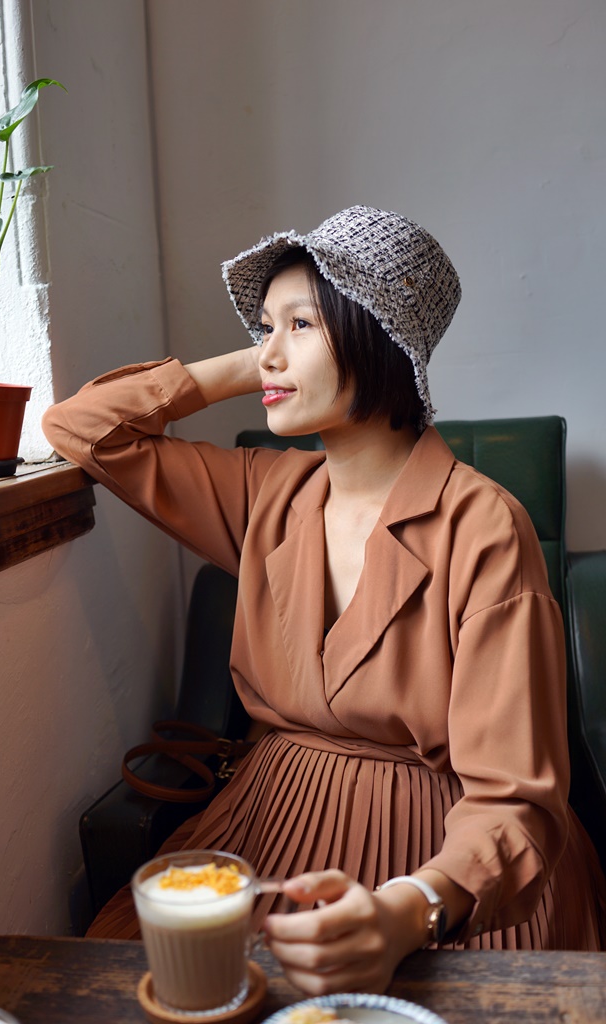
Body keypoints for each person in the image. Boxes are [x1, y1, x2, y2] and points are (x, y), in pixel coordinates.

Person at [42, 205, 606, 994]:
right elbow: (82, 429)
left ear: (379, 337)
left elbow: (515, 800)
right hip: (268, 825)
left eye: (301, 323)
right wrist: (266, 362)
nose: (266, 352)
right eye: (262, 328)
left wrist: (410, 912)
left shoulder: (484, 526)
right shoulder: (265, 492)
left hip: (443, 858)